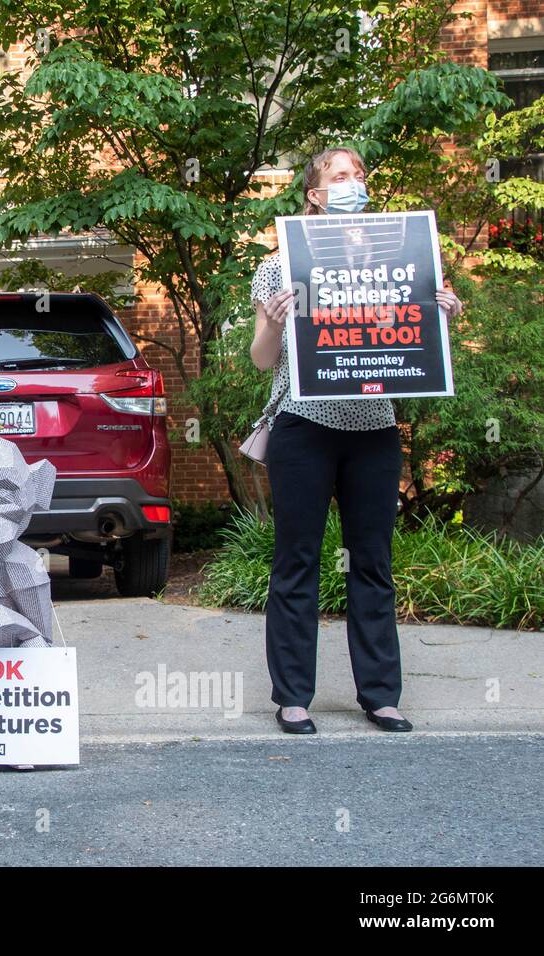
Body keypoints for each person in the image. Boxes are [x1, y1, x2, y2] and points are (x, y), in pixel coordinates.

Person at [249, 147, 463, 735]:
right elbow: (263, 360)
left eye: (359, 175)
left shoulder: (404, 261)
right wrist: (271, 319)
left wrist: (441, 312)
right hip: (302, 429)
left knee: (372, 562)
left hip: (373, 433)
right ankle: (292, 698)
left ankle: (381, 696)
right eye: (339, 177)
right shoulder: (279, 265)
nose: (353, 185)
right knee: (297, 562)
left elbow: (415, 348)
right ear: (314, 194)